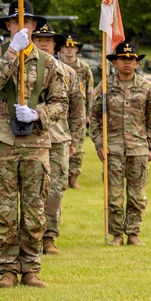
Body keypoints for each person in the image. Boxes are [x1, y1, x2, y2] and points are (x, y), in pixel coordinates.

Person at [0, 1, 68, 287]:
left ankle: (31, 268)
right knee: (5, 210)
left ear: (34, 25)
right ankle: (7, 269)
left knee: (34, 209)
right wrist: (12, 52)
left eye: (27, 22)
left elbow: (61, 103)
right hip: (2, 141)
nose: (23, 26)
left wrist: (38, 113)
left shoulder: (49, 63)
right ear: (8, 26)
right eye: (16, 21)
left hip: (35, 143)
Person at [89, 42, 151, 246]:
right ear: (115, 62)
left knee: (137, 195)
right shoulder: (104, 87)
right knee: (114, 195)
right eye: (122, 59)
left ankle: (133, 234)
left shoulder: (147, 88)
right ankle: (117, 234)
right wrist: (99, 143)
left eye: (131, 59)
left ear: (137, 63)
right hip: (113, 149)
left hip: (138, 148)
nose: (127, 62)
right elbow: (94, 119)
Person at [31, 22, 85, 255]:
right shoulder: (23, 69)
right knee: (32, 190)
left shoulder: (68, 73)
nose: (44, 43)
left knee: (55, 190)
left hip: (59, 140)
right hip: (30, 139)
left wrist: (75, 141)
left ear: (55, 45)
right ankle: (30, 237)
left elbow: (78, 109)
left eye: (49, 40)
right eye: (40, 39)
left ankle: (49, 237)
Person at [59, 34, 94, 189]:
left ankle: (73, 178)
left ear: (77, 49)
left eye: (72, 46)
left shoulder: (84, 68)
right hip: (60, 112)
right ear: (61, 49)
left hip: (77, 112)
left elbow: (89, 91)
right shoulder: (56, 66)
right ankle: (61, 177)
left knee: (77, 146)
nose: (69, 49)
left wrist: (88, 113)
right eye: (67, 46)